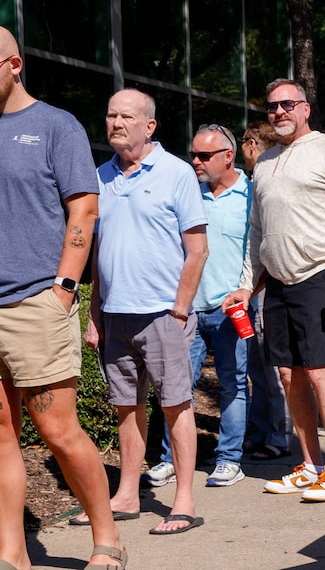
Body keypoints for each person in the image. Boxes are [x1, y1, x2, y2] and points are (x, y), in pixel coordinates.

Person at [0, 28, 127, 569]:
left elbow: (84, 211)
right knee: (2, 435)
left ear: (13, 65)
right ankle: (12, 553)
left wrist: (64, 289)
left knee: (58, 430)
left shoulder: (55, 126)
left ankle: (108, 539)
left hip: (35, 301)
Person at [222, 79, 325, 502]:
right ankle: (310, 464)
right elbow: (256, 232)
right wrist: (247, 285)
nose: (279, 112)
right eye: (272, 107)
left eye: (287, 104)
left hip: (321, 276)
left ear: (305, 108)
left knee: (322, 372)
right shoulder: (264, 163)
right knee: (288, 374)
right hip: (279, 284)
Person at [86, 88, 208, 536]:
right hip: (116, 314)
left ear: (149, 126)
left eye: (126, 117)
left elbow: (197, 251)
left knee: (176, 405)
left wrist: (179, 312)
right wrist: (95, 316)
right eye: (111, 115)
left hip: (162, 314)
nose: (116, 123)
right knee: (126, 407)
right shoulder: (100, 176)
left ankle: (184, 500)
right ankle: (127, 495)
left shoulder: (177, 173)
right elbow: (101, 255)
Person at [146, 125, 251, 490]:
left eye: (204, 156)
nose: (195, 161)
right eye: (193, 154)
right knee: (176, 388)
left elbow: (258, 251)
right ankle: (170, 459)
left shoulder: (250, 195)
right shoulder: (188, 192)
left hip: (229, 310)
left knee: (233, 384)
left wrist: (247, 290)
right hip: (186, 309)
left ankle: (229, 459)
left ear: (227, 156)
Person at [238, 123, 292, 461]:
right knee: (256, 368)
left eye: (243, 141)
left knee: (275, 369)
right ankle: (259, 432)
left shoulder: (266, 182)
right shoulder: (253, 181)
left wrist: (252, 286)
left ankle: (280, 436)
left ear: (253, 143)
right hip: (249, 289)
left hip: (264, 287)